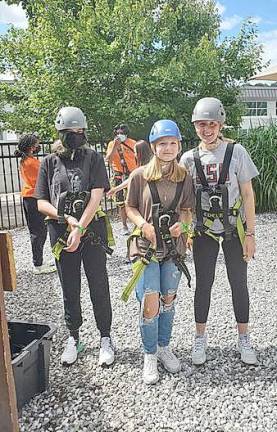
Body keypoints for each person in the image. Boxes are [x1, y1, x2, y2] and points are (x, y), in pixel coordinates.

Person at [180, 97, 259, 366]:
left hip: (234, 229)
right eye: (201, 124)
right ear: (195, 127)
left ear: (220, 124)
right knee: (203, 284)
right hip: (204, 231)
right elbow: (186, 200)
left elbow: (247, 194)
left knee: (239, 282)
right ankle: (200, 337)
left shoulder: (237, 152)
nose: (207, 129)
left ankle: (244, 337)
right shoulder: (189, 159)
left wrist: (250, 234)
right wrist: (188, 230)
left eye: (211, 124)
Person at [35, 106, 115, 367]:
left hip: (90, 231)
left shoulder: (92, 157)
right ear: (60, 132)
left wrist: (80, 226)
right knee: (69, 287)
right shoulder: (48, 162)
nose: (75, 134)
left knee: (98, 285)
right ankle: (74, 337)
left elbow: (97, 194)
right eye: (70, 131)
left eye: (79, 130)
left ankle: (105, 336)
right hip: (61, 232)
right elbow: (41, 202)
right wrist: (65, 219)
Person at [125, 120, 194, 384]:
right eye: (162, 143)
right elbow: (129, 207)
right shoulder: (139, 176)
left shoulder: (184, 176)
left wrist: (183, 226)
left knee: (168, 298)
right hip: (146, 249)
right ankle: (149, 354)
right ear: (153, 146)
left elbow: (188, 209)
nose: (168, 148)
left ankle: (164, 346)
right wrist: (143, 224)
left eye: (172, 143)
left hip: (173, 250)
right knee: (150, 302)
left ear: (178, 146)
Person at [14, 134, 56, 275]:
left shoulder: (26, 160)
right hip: (33, 198)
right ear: (32, 147)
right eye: (37, 144)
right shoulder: (31, 162)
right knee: (39, 232)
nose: (38, 146)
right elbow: (43, 178)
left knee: (38, 231)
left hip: (29, 197)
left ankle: (39, 261)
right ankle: (38, 264)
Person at [105, 123, 137, 235]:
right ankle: (124, 225)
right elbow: (108, 159)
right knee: (121, 203)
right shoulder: (111, 144)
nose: (120, 135)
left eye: (122, 133)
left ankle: (136, 224)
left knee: (133, 201)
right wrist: (115, 146)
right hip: (118, 175)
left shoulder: (133, 143)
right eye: (118, 133)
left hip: (131, 175)